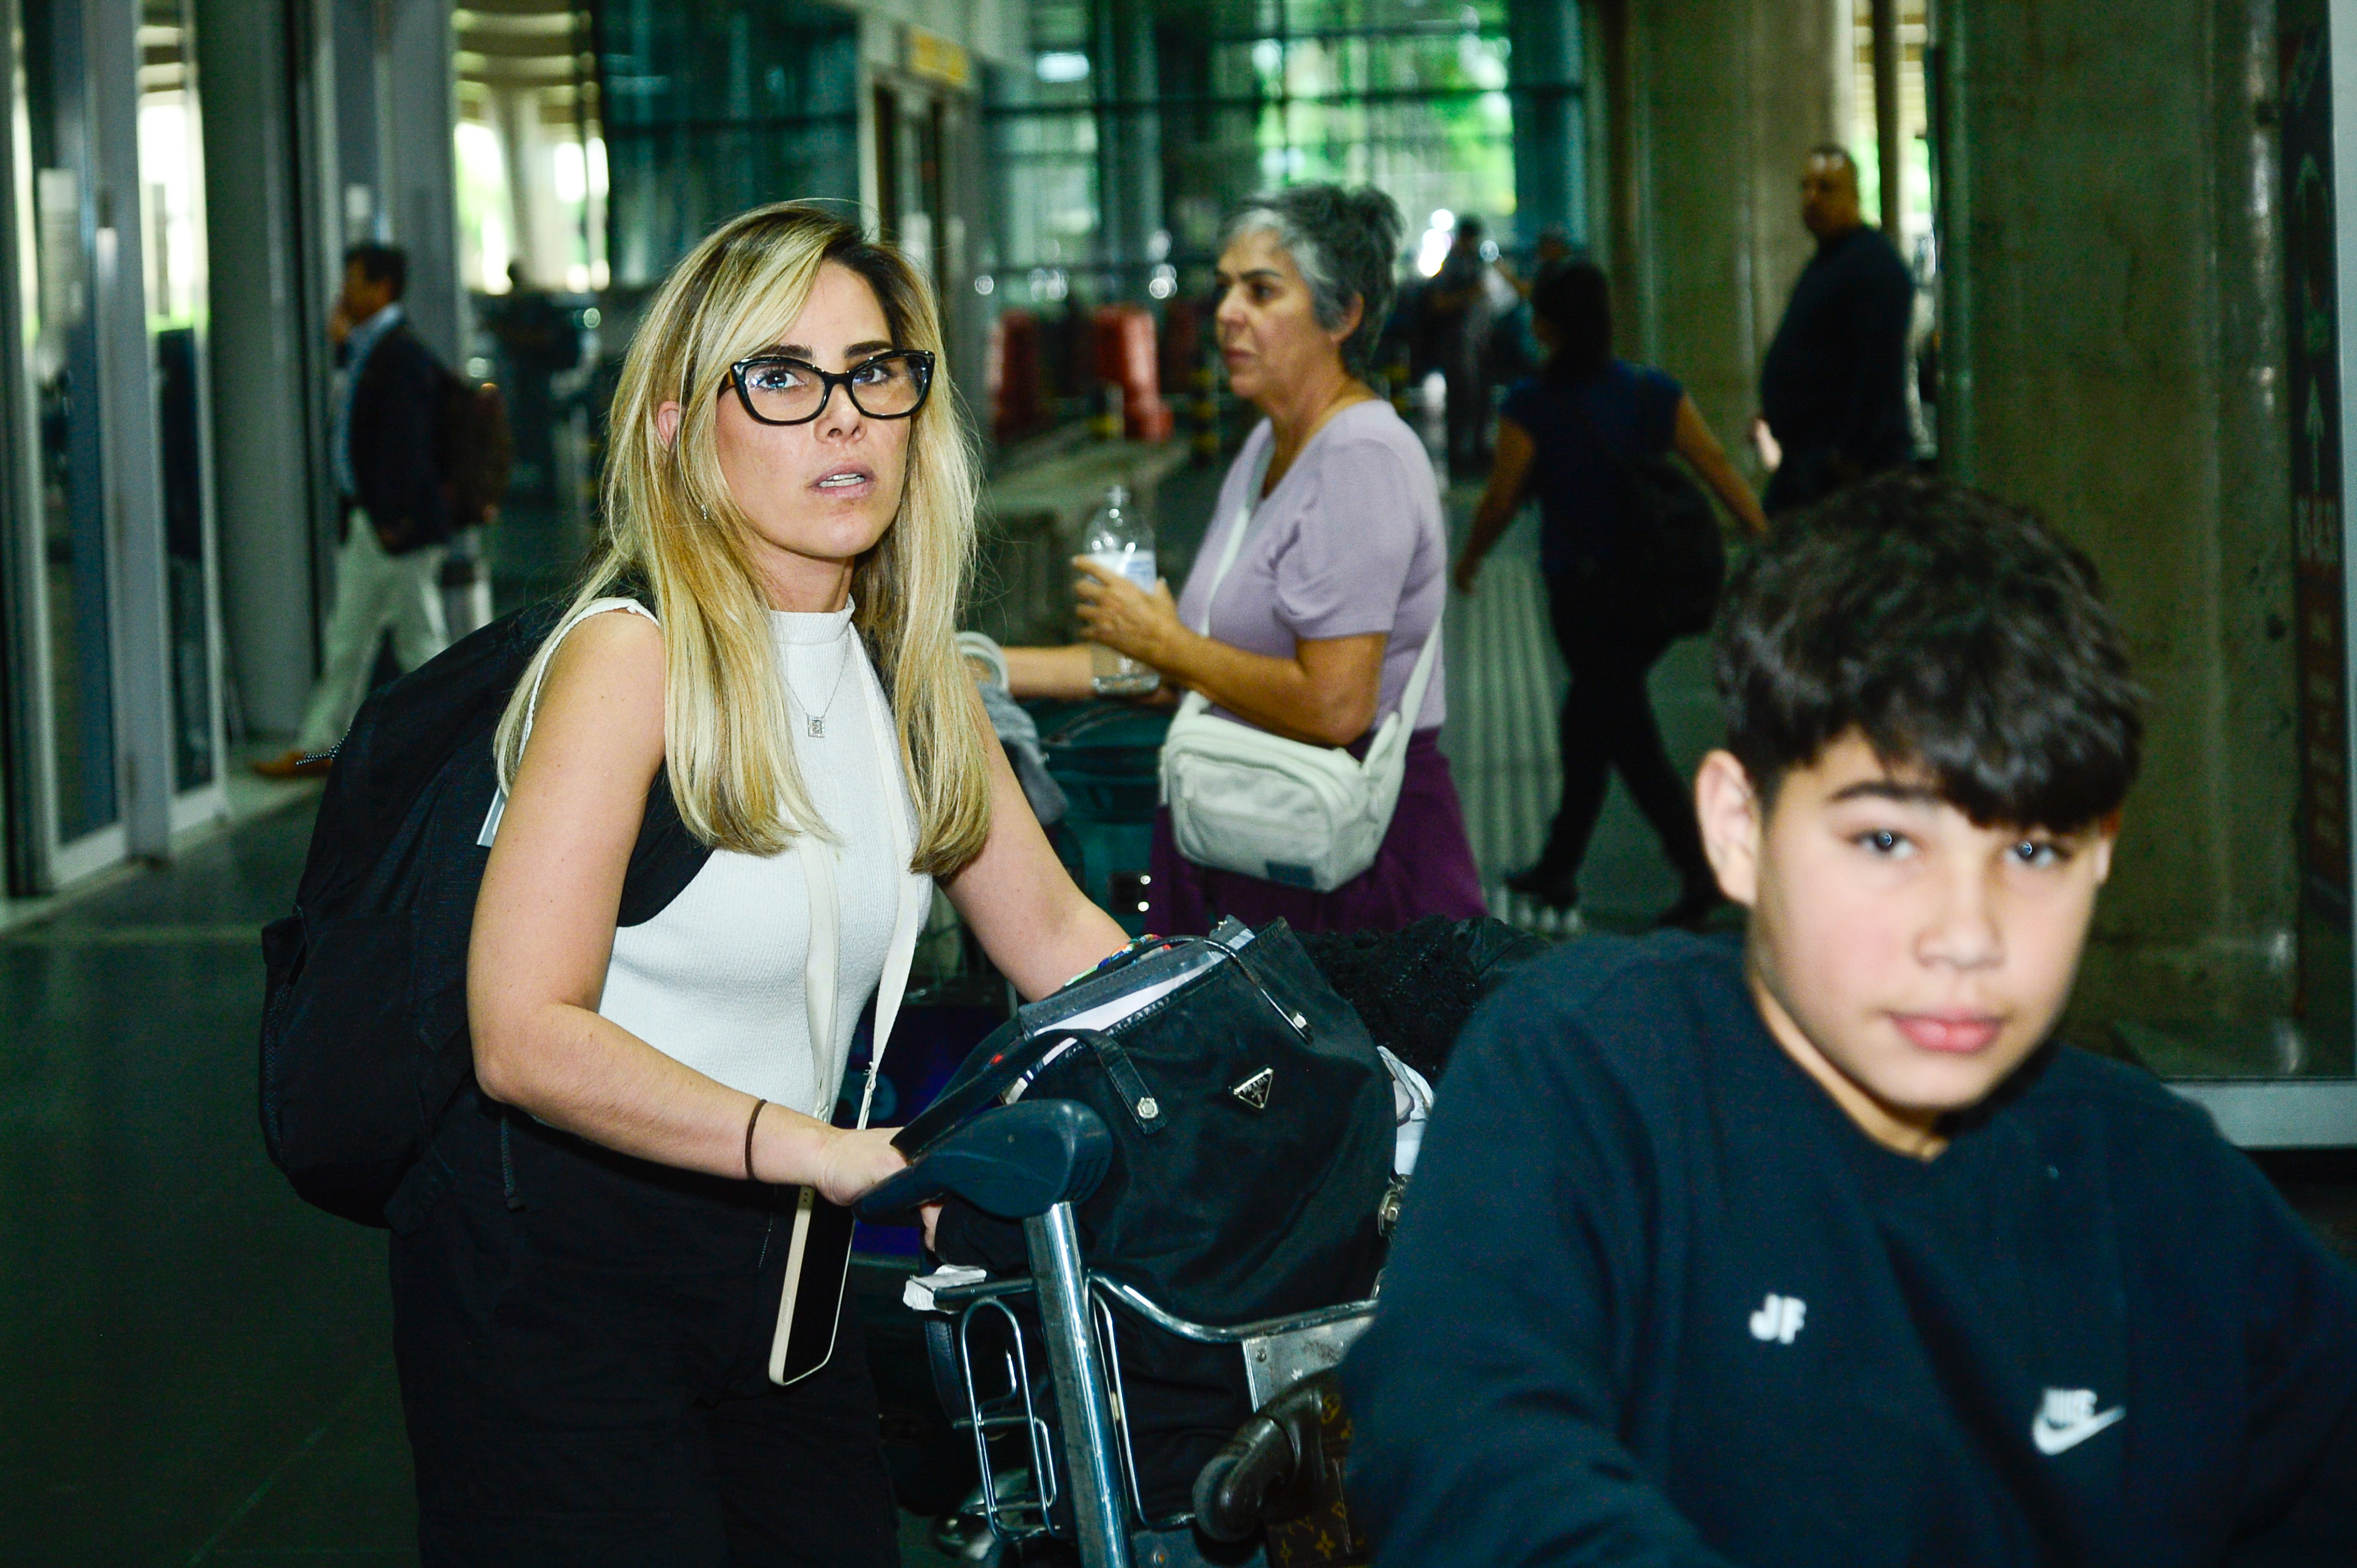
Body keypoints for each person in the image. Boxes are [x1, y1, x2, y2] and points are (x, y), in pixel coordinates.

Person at [1346, 473, 2357, 1566]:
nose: (1963, 934)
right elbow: (1467, 1461)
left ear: (2101, 851)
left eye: (2030, 852)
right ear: (1738, 827)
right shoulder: (1586, 1088)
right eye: (1884, 841)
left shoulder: (2165, 1198)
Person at [397, 203, 1128, 1564]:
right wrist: (832, 1154)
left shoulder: (913, 675)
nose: (843, 418)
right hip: (557, 1284)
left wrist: (1297, 1049)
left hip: (791, 1274)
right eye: (781, 379)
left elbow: (1061, 940)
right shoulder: (629, 661)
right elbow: (521, 1031)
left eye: (875, 371)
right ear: (679, 428)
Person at [1008, 185, 1484, 936]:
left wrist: (1169, 644)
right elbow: (1181, 668)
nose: (1227, 312)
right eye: (1225, 287)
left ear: (1343, 315)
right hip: (1253, 841)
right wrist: (987, 668)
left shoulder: (1361, 455)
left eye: (1262, 291)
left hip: (1352, 873)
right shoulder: (1268, 444)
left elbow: (1335, 707)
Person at [1454, 261, 1765, 926]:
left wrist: (1469, 560)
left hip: (1583, 595)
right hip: (1652, 596)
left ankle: (1701, 869)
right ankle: (1560, 865)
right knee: (1588, 721)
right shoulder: (1652, 393)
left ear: (1547, 327)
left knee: (1625, 734)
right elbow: (1712, 463)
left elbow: (1502, 498)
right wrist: (1763, 533)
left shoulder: (1530, 406)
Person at [254, 244, 453, 778]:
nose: (343, 292)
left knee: (410, 643)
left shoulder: (400, 355)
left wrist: (393, 521)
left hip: (394, 528)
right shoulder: (371, 348)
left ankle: (456, 747)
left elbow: (406, 447)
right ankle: (322, 748)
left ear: (382, 288)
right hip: (378, 523)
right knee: (372, 639)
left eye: (354, 281)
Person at [1751, 145, 1915, 514]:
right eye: (1805, 187)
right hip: (1810, 460)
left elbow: (1878, 371)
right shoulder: (1830, 261)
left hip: (1840, 471)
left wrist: (1850, 456)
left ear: (1853, 196)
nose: (1812, 198)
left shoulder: (1871, 266)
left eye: (1826, 187)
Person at [1426, 214, 1506, 477]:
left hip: (1478, 342)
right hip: (1459, 343)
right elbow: (1440, 302)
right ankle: (1459, 454)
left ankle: (1476, 450)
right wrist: (1468, 296)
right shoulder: (1454, 266)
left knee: (1481, 398)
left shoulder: (1473, 263)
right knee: (1463, 399)